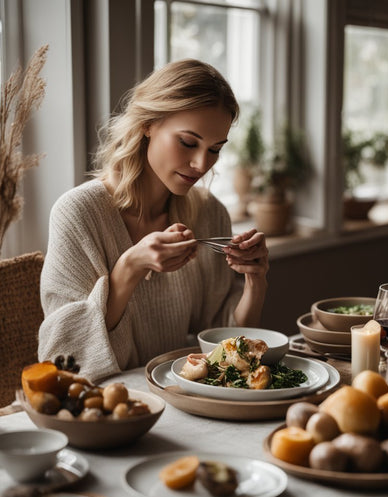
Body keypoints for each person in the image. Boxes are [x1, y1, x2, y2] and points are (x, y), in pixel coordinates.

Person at [38, 59, 269, 383]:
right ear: (148, 123)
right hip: (107, 411)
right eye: (188, 142)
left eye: (215, 149)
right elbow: (63, 360)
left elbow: (226, 347)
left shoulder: (209, 212)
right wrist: (130, 266)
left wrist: (255, 281)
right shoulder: (78, 214)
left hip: (187, 402)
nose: (201, 163)